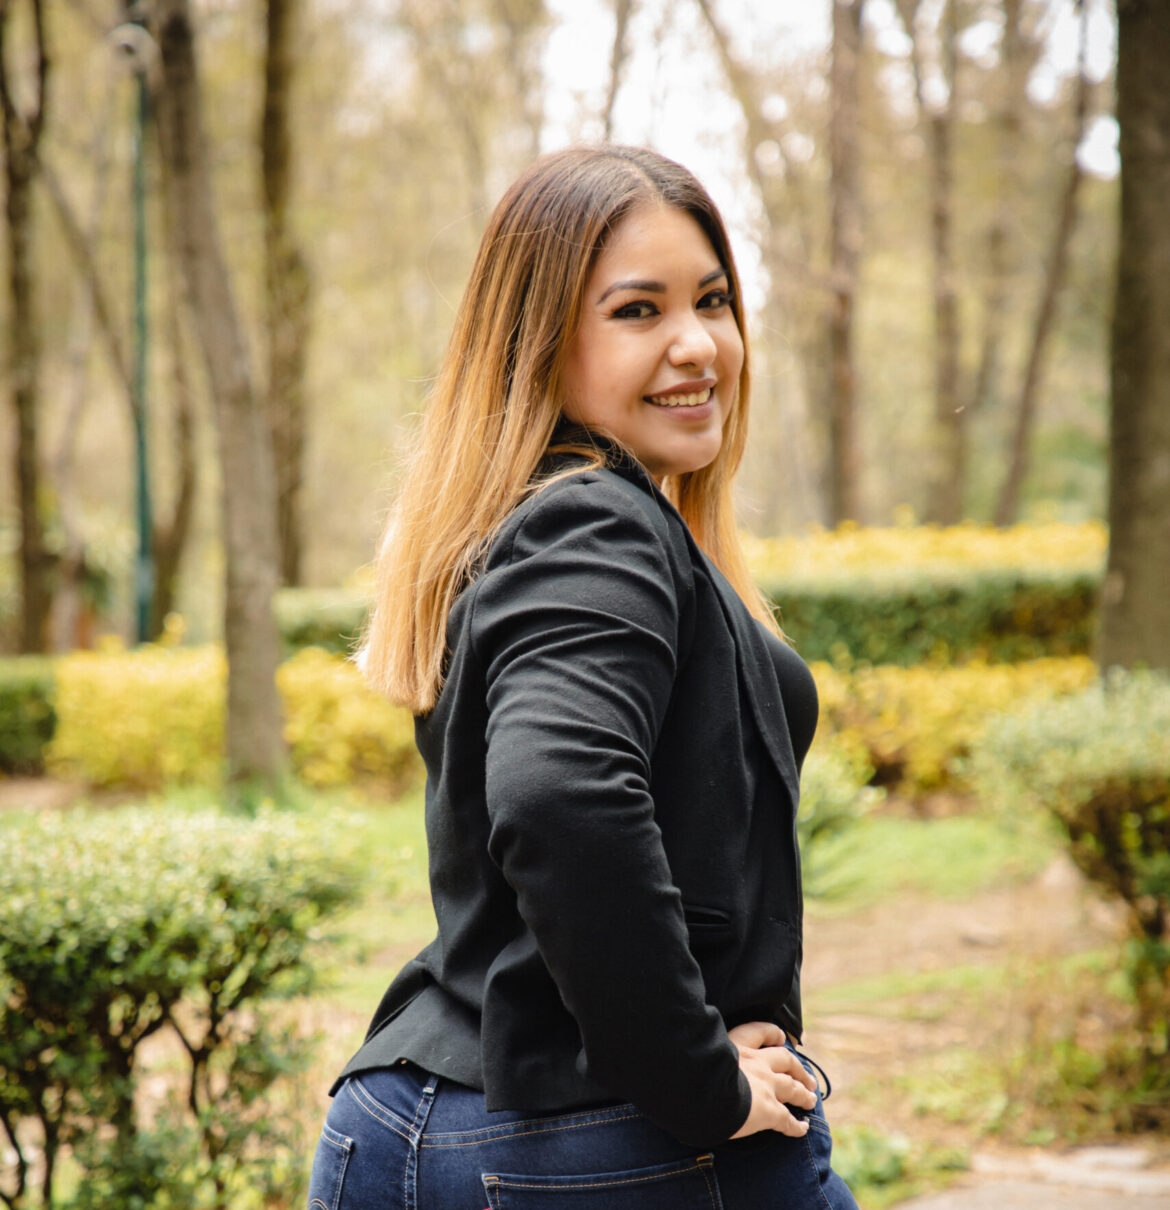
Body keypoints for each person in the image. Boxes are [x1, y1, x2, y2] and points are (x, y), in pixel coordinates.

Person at [307, 145, 858, 1210]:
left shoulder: (544, 517)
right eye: (638, 311)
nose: (697, 343)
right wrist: (695, 1079)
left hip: (418, 1116)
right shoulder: (595, 522)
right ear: (539, 346)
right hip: (599, 1148)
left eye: (711, 301)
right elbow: (560, 798)